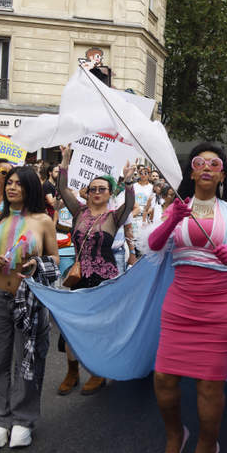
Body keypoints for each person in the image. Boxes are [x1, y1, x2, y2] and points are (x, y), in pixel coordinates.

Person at [148, 142, 227, 453]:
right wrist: (173, 220)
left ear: (223, 173)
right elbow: (154, 245)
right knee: (164, 380)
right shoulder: (178, 207)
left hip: (224, 308)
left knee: (210, 388)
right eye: (201, 162)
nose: (208, 167)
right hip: (181, 305)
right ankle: (175, 437)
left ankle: (207, 448)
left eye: (215, 163)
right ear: (192, 171)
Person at [0, 166, 59, 448]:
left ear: (30, 188)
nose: (12, 188)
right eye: (9, 183)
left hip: (30, 301)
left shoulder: (43, 220)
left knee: (28, 361)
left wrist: (37, 264)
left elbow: (55, 259)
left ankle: (23, 419)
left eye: (19, 184)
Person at [55, 145, 135, 395]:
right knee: (70, 327)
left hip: (105, 280)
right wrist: (66, 160)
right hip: (79, 278)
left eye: (102, 189)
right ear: (87, 193)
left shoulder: (114, 217)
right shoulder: (78, 212)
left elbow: (130, 203)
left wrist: (129, 181)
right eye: (93, 189)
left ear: (110, 193)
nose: (97, 192)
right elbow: (61, 188)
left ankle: (98, 372)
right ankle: (72, 372)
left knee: (100, 329)